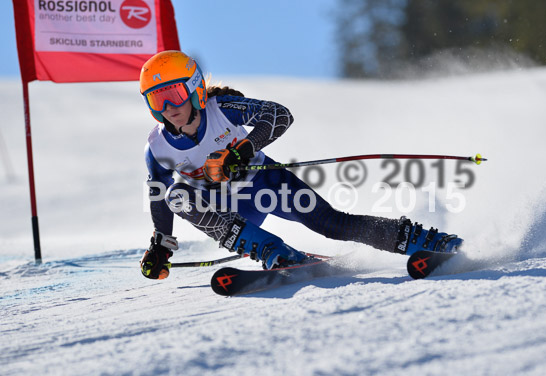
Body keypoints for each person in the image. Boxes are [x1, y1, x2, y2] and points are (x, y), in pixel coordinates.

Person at [138, 50, 462, 280]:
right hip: (229, 210)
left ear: (193, 88)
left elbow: (279, 115)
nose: (169, 107)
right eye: (157, 99)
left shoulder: (221, 108)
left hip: (265, 185)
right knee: (176, 194)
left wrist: (243, 150)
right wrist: (161, 244)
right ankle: (273, 253)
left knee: (332, 224)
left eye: (174, 94)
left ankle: (428, 241)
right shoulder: (158, 148)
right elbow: (161, 195)